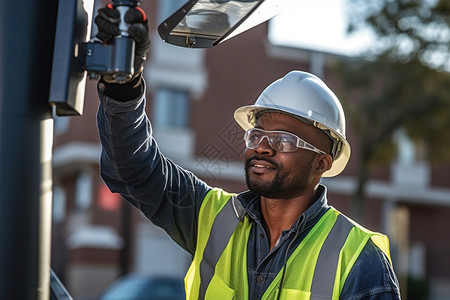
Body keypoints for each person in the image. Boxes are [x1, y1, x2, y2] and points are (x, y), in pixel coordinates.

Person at [94, 5, 401, 300]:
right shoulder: (212, 218)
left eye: (284, 141)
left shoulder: (360, 260)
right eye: (257, 135)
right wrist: (124, 87)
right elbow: (133, 168)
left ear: (321, 163)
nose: (262, 148)